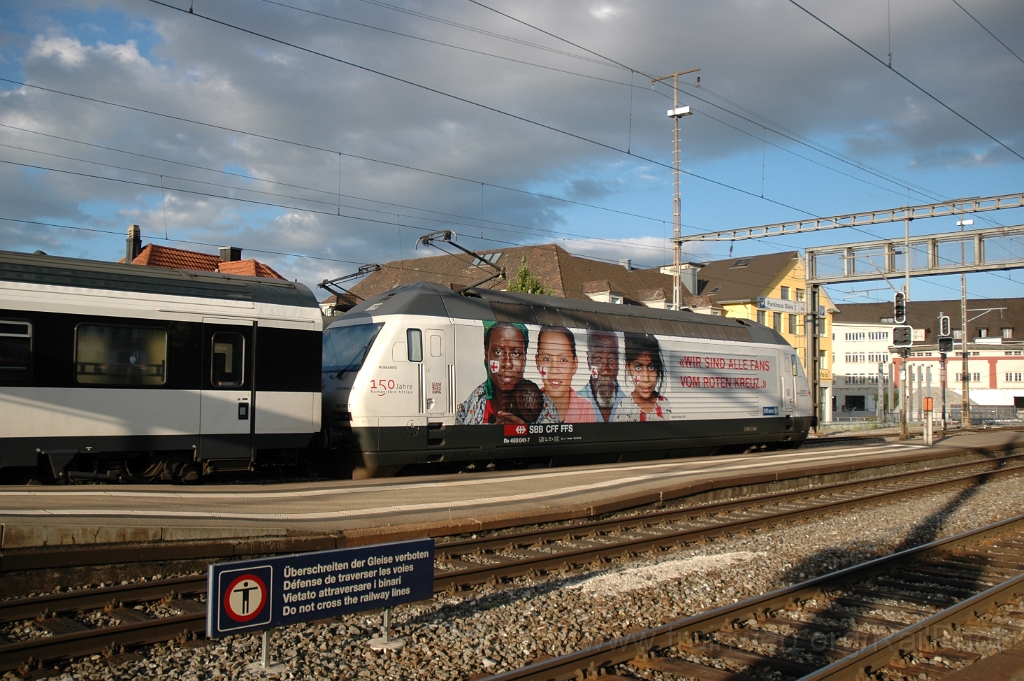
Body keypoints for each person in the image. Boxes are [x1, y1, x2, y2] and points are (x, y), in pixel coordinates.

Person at [455, 321, 557, 425]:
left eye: (516, 353)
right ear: (487, 354)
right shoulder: (468, 408)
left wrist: (524, 433)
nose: (507, 364)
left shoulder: (546, 408)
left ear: (524, 358)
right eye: (498, 352)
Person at [535, 326, 595, 423]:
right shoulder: (527, 406)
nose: (554, 370)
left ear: (574, 365)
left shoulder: (585, 409)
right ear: (537, 362)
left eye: (563, 360)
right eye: (547, 359)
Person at [617, 333, 672, 422]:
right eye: (638, 368)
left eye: (651, 367)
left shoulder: (665, 404)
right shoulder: (624, 408)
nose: (646, 379)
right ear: (628, 368)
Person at [579, 330, 627, 422]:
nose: (605, 370)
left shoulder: (630, 404)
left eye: (612, 358)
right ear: (588, 360)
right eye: (598, 358)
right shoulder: (573, 405)